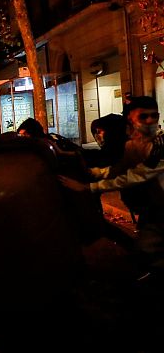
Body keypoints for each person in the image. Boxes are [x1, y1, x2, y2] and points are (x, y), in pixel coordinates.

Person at [59, 96, 164, 284]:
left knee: (147, 247)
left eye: (153, 116)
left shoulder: (158, 146)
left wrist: (87, 187)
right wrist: (91, 173)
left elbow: (133, 176)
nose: (149, 122)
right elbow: (117, 170)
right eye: (142, 118)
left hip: (158, 208)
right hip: (151, 207)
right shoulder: (132, 146)